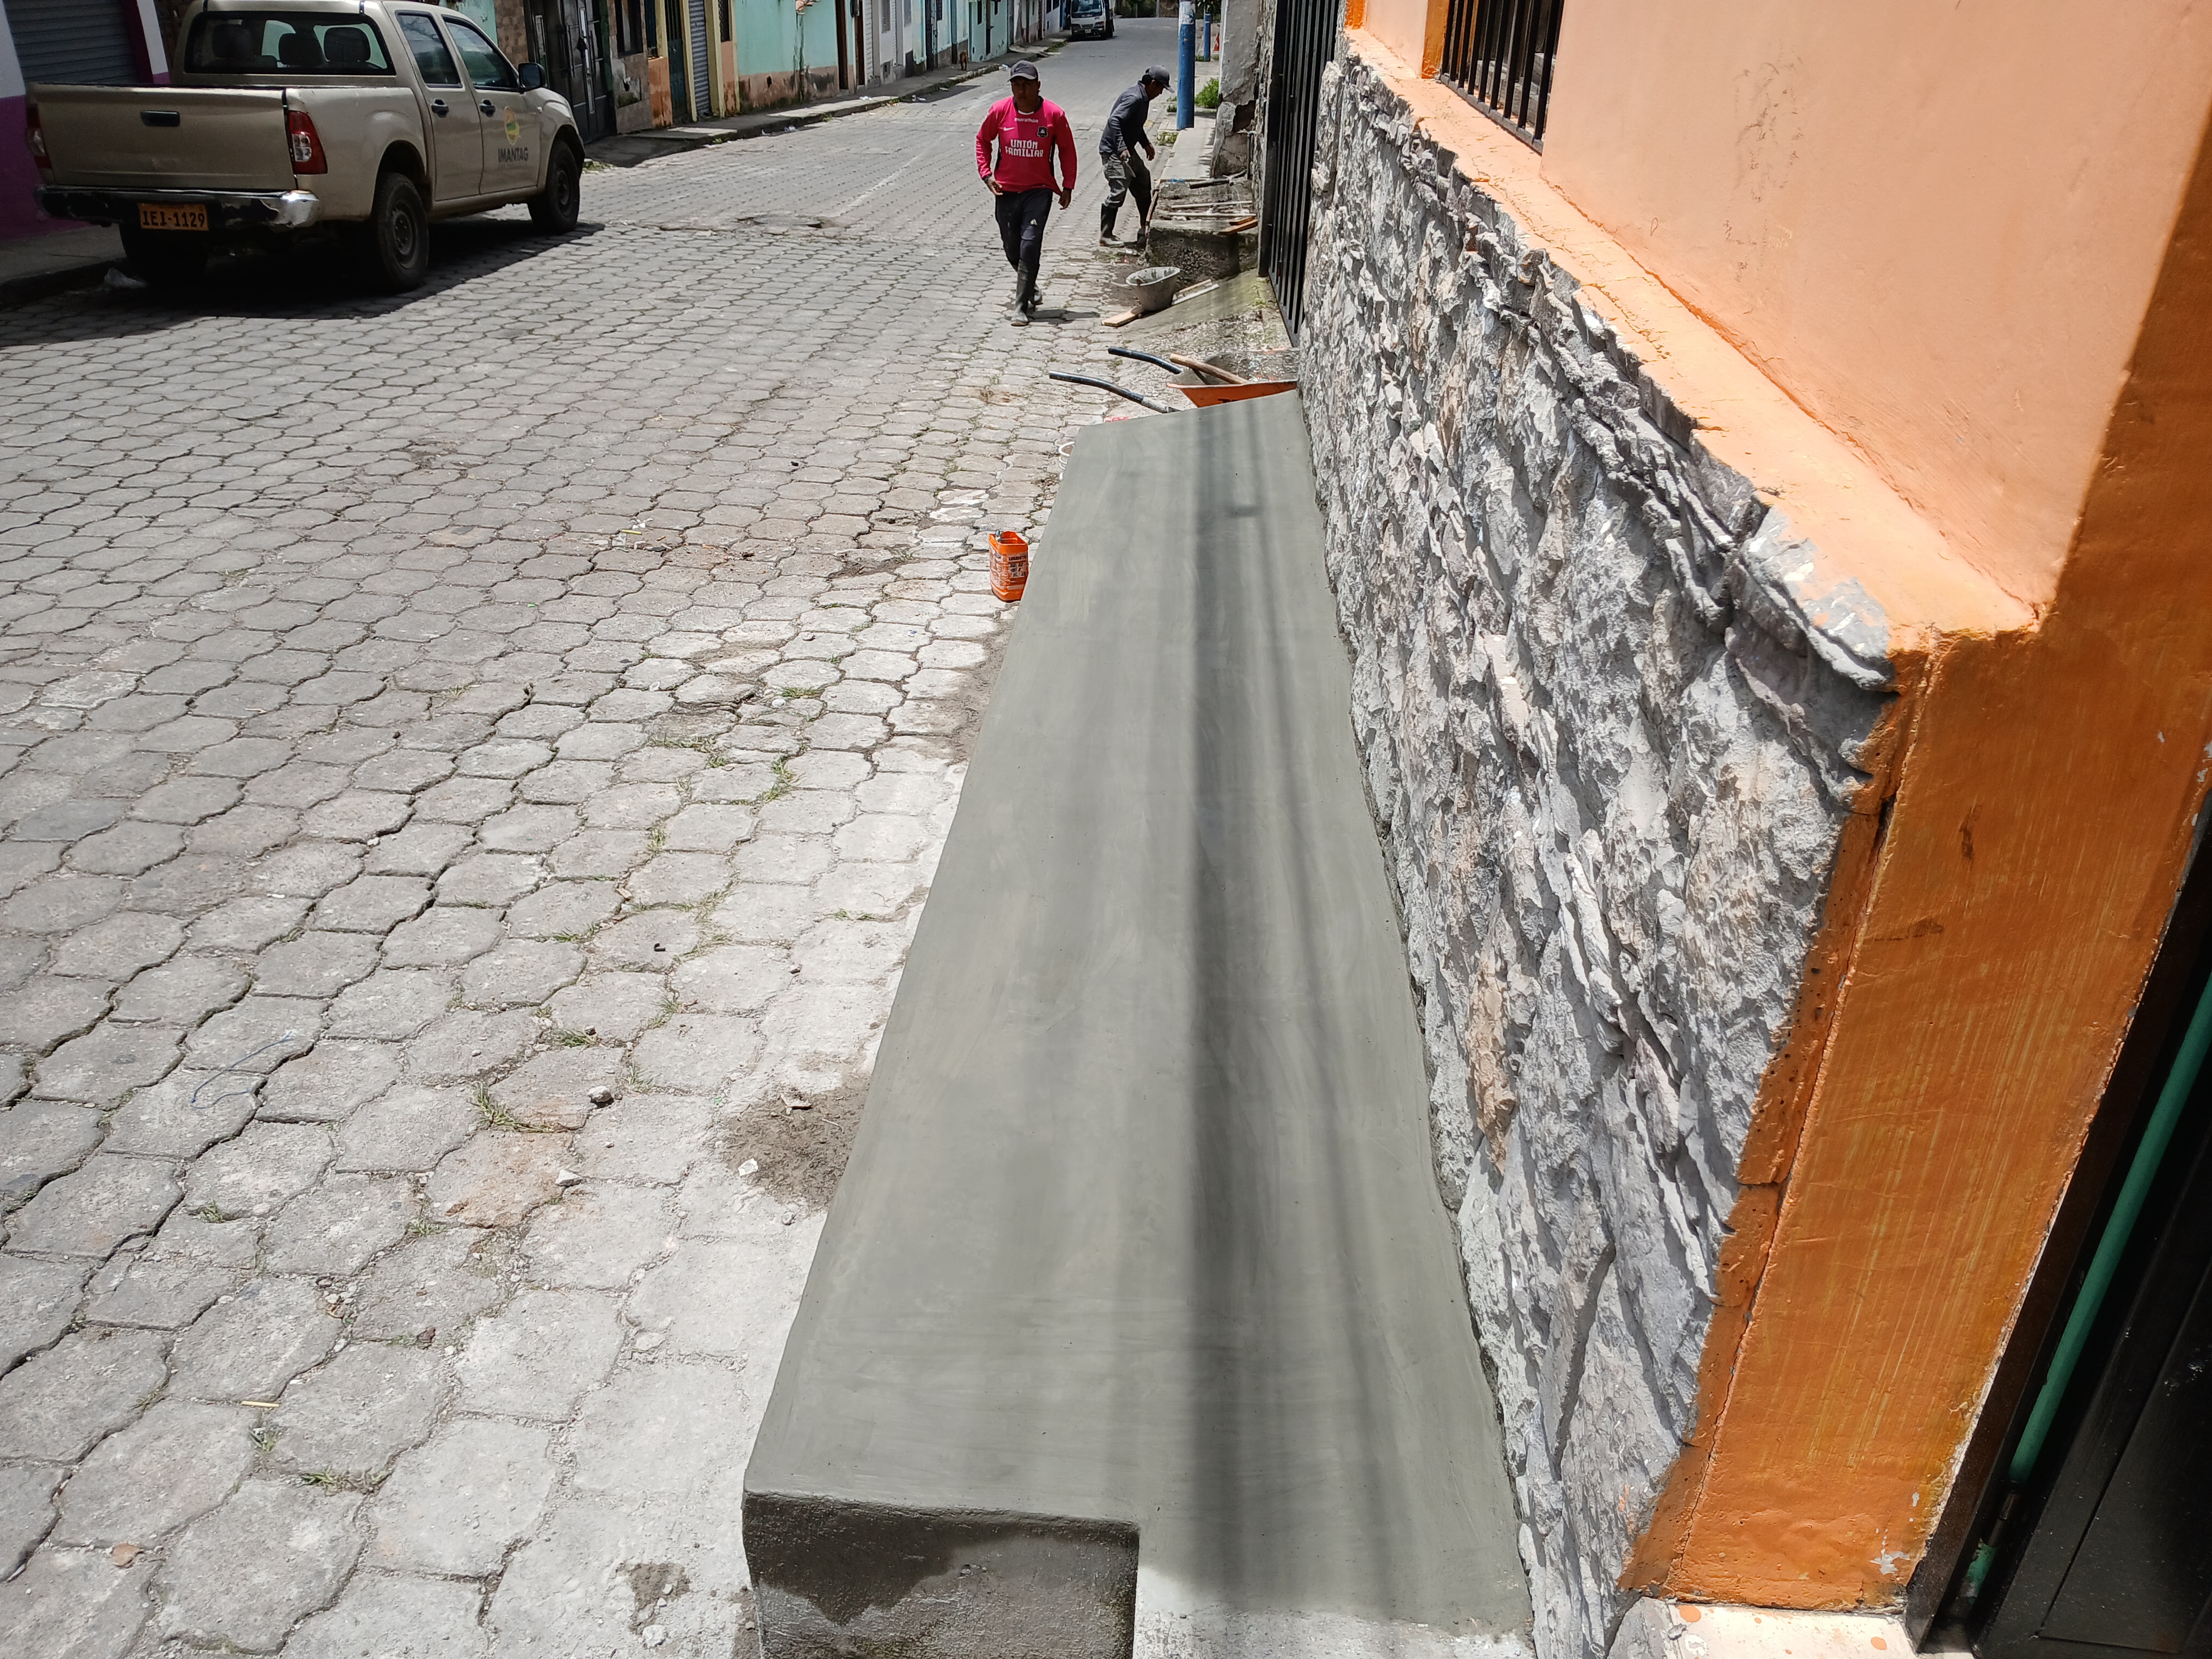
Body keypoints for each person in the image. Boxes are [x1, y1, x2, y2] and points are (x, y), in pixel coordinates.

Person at [975, 61, 1077, 325]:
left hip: (1038, 192)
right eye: (1016, 85)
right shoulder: (1000, 111)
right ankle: (1030, 286)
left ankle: (1020, 306)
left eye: (1027, 85)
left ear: (1038, 86)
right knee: (1012, 248)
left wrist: (1068, 185)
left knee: (1030, 244)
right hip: (1006, 192)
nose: (1021, 91)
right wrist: (986, 175)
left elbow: (1067, 150)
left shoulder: (1054, 115)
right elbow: (983, 140)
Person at [1099, 67, 1171, 246]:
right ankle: (1106, 235)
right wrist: (1122, 147)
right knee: (1119, 190)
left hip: (1127, 150)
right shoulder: (1135, 98)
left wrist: (1145, 143)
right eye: (1161, 88)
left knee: (1143, 180)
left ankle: (1145, 229)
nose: (1161, 93)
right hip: (1114, 151)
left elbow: (1135, 124)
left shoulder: (1143, 98)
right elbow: (1114, 121)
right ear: (1153, 84)